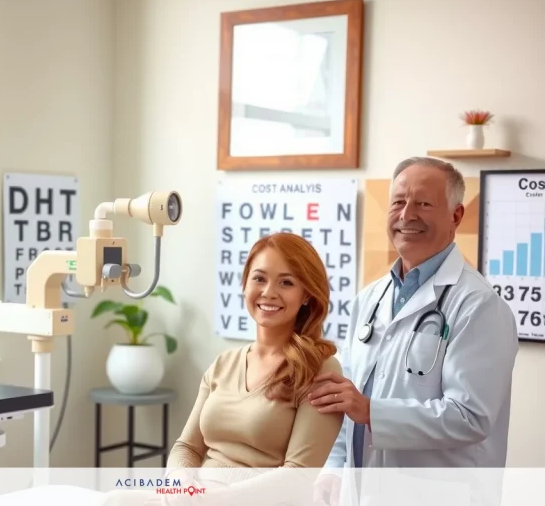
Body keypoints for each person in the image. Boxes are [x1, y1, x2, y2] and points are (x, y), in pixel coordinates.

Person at [309, 157, 518, 504]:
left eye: (423, 203)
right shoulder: (369, 299)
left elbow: (471, 417)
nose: (407, 215)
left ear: (456, 215)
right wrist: (333, 466)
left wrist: (370, 411)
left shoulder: (479, 306)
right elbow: (348, 397)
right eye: (398, 202)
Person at [167, 232, 344, 471]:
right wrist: (182, 486)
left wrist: (213, 497)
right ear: (245, 284)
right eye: (259, 278)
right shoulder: (223, 363)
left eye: (286, 282)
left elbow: (298, 475)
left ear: (306, 295)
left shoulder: (320, 369)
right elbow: (186, 448)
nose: (269, 292)